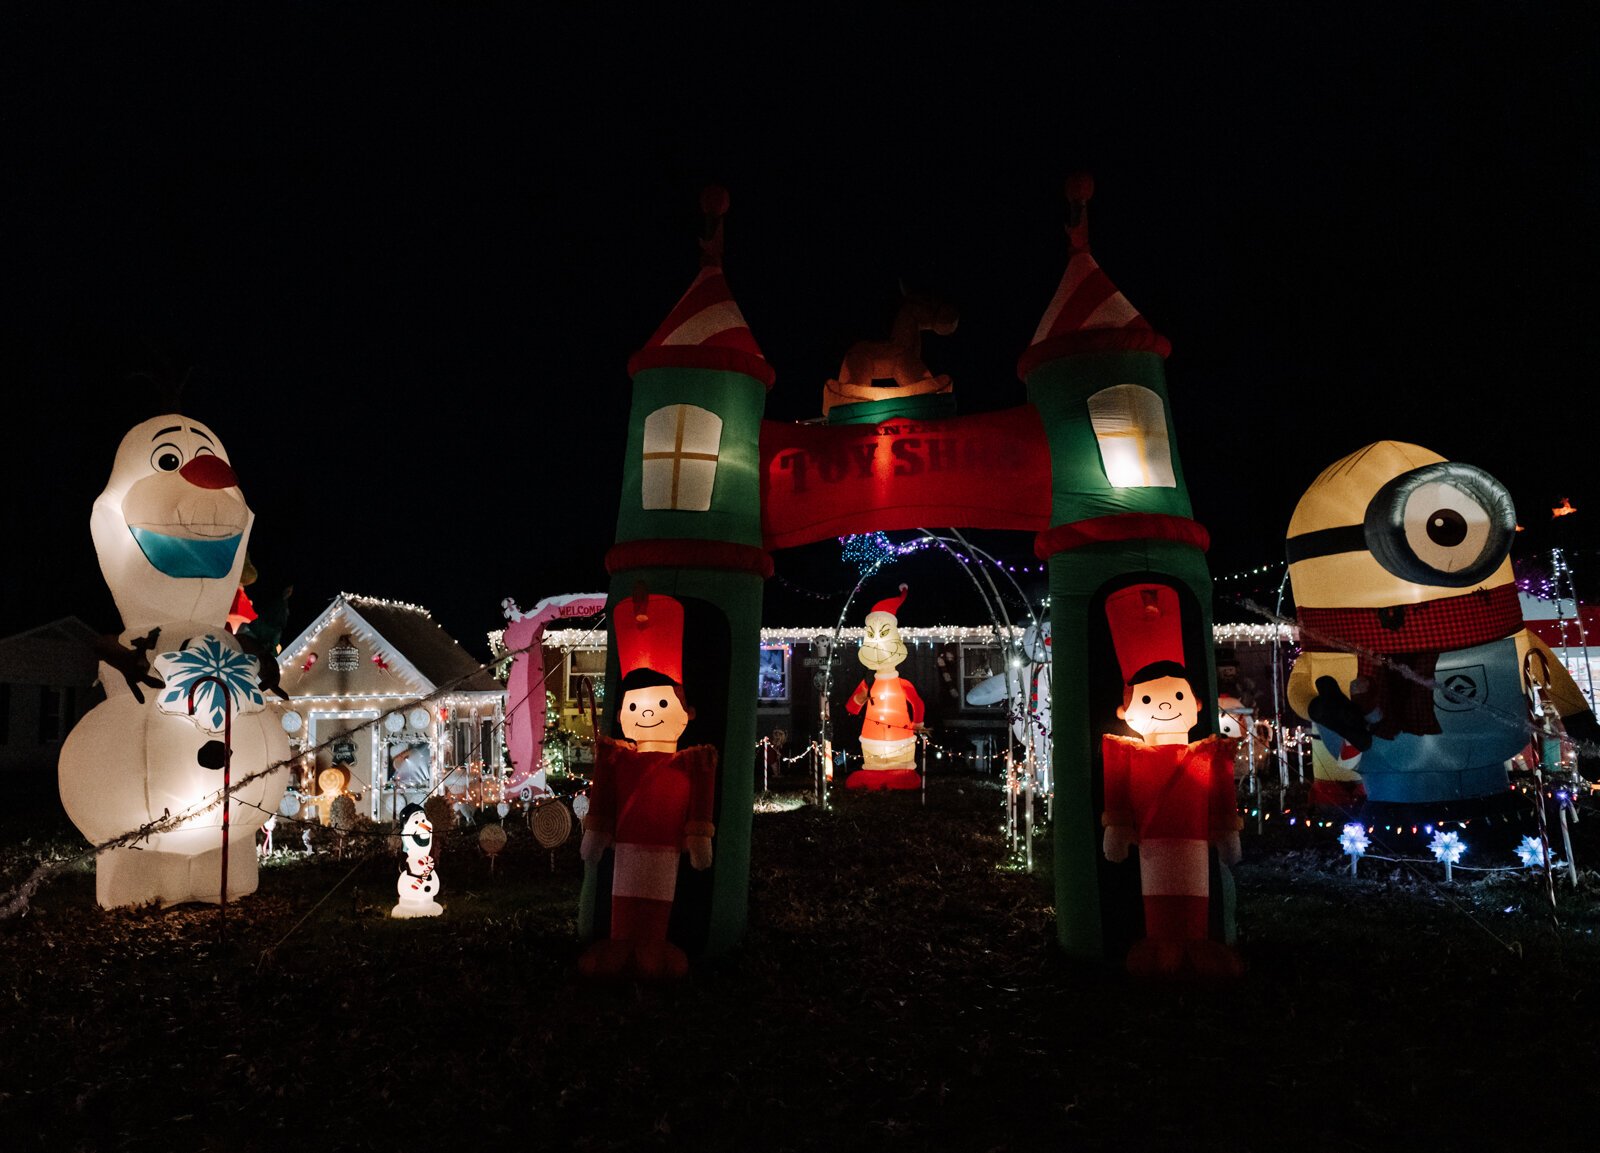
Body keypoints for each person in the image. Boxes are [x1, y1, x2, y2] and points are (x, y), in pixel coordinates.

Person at [579, 589, 716, 982]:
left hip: (665, 847)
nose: (647, 713)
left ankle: (653, 942)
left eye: (659, 704)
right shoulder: (618, 757)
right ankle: (621, 940)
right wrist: (598, 831)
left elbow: (699, 805)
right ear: (622, 713)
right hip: (626, 846)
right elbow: (604, 797)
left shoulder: (691, 761)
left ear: (685, 714)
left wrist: (699, 836)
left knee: (657, 894)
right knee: (624, 894)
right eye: (636, 706)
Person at [1101, 660, 1242, 977]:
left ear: (1196, 705)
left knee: (1193, 891)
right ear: (1126, 713)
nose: (1165, 704)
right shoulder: (1127, 753)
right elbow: (1119, 792)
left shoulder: (1208, 753)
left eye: (1178, 698)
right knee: (1159, 897)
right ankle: (1162, 944)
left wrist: (1225, 830)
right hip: (1152, 841)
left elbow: (1220, 793)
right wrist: (1118, 827)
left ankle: (1195, 943)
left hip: (1194, 838)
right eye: (1148, 700)